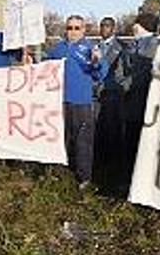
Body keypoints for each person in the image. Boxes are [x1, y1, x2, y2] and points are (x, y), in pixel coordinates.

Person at [45, 15, 109, 189]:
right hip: (59, 101)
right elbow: (44, 69)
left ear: (83, 30)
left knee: (83, 141)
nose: (72, 31)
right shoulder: (57, 48)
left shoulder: (90, 48)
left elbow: (101, 74)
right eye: (69, 28)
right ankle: (61, 170)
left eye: (76, 28)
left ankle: (84, 177)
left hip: (82, 102)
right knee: (62, 138)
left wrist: (97, 63)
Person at [121, 12, 159, 184]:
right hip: (133, 100)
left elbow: (141, 72)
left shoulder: (153, 43)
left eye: (136, 24)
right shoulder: (136, 44)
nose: (133, 27)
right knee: (130, 138)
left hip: (143, 98)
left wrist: (125, 84)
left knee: (138, 140)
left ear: (143, 25)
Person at [93, 17, 129, 184]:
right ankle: (100, 166)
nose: (104, 29)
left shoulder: (122, 47)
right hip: (97, 96)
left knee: (115, 131)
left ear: (113, 28)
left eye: (107, 26)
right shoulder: (94, 47)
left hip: (114, 95)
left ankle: (116, 169)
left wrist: (120, 89)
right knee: (98, 130)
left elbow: (128, 72)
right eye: (102, 26)